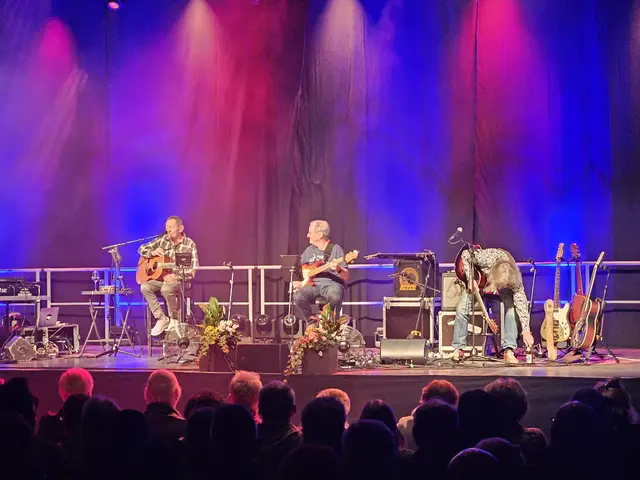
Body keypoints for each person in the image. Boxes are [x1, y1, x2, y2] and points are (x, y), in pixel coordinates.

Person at [452, 247, 534, 363]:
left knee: (511, 310)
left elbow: (522, 305)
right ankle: (458, 348)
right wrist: (470, 278)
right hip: (482, 281)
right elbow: (466, 254)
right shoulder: (487, 258)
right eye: (502, 285)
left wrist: (526, 330)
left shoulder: (515, 280)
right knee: (461, 309)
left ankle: (508, 350)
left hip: (497, 283)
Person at [138, 216, 199, 336]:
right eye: (166, 228)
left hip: (181, 281)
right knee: (145, 287)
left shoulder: (189, 244)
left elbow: (193, 270)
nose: (168, 230)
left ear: (180, 228)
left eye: (170, 227)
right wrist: (152, 252)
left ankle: (174, 319)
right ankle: (161, 319)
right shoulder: (163, 240)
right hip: (162, 279)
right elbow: (141, 248)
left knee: (167, 289)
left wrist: (176, 276)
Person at [293, 220, 349, 321]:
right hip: (313, 285)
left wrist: (337, 268)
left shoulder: (336, 249)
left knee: (335, 297)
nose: (307, 235)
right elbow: (298, 268)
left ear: (320, 235)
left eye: (310, 233)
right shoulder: (309, 250)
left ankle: (329, 324)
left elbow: (345, 276)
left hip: (331, 284)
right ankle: (312, 322)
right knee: (298, 297)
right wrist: (297, 281)